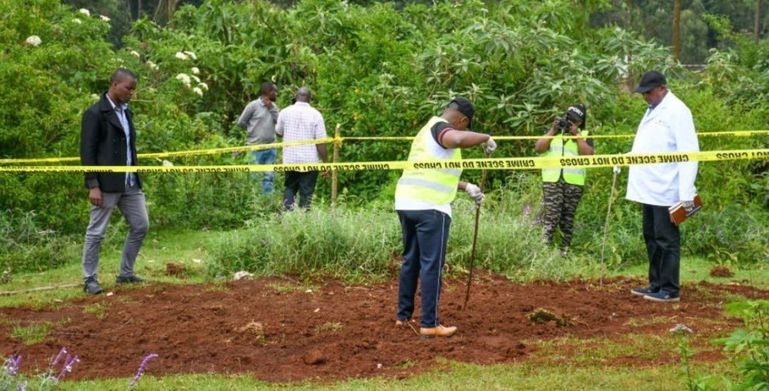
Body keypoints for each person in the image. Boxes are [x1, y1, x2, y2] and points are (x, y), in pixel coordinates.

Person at [394, 97, 497, 338]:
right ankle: (429, 323)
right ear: (462, 120)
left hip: (407, 202)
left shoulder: (426, 130)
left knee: (411, 260)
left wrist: (465, 186)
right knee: (432, 265)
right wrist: (485, 137)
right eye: (465, 126)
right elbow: (458, 139)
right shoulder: (442, 128)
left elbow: (434, 169)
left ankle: (403, 317)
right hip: (431, 208)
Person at [626, 71, 699, 303]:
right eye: (643, 93)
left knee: (666, 239)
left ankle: (669, 288)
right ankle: (655, 283)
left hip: (667, 188)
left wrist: (686, 193)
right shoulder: (653, 109)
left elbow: (689, 153)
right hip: (649, 186)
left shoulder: (678, 111)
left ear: (661, 88)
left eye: (648, 92)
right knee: (651, 235)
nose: (645, 97)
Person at [80, 68, 149, 295]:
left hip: (130, 182)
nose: (132, 93)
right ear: (114, 84)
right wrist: (93, 184)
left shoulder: (127, 112)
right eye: (128, 88)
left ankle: (125, 274)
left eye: (134, 89)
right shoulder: (95, 113)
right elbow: (87, 152)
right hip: (106, 184)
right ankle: (90, 278)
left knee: (141, 225)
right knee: (97, 232)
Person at [534, 104, 594, 255]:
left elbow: (588, 156)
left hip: (574, 184)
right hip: (552, 180)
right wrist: (553, 130)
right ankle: (542, 251)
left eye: (574, 121)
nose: (569, 123)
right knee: (551, 217)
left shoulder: (585, 134)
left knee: (567, 220)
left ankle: (563, 253)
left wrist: (577, 136)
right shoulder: (555, 132)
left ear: (580, 123)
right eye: (568, 118)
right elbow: (539, 148)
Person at [275, 87, 328, 210]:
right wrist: (326, 164)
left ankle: (288, 217)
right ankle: (304, 220)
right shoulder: (316, 115)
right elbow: (321, 143)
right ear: (310, 99)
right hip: (309, 162)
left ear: (295, 97)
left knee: (290, 188)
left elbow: (278, 132)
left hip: (290, 160)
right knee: (307, 192)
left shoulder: (284, 112)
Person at [237, 82, 279, 194]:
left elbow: (279, 122)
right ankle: (254, 201)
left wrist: (271, 108)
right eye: (274, 91)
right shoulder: (253, 105)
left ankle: (267, 202)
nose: (276, 94)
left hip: (271, 147)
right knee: (254, 177)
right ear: (268, 92)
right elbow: (241, 122)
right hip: (254, 148)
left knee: (269, 177)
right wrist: (251, 129)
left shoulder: (274, 107)